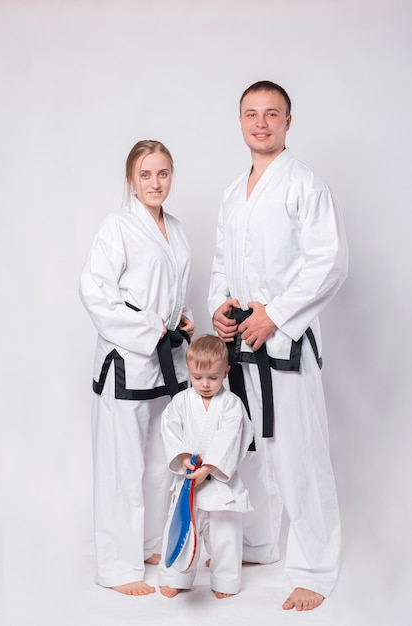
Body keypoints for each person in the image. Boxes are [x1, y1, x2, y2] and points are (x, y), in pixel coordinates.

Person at [208, 81, 348, 611]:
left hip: (284, 340)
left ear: (289, 121)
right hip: (243, 339)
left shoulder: (303, 184)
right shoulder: (232, 190)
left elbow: (329, 262)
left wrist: (276, 315)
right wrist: (222, 306)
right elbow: (223, 261)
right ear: (240, 120)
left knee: (299, 454)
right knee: (249, 449)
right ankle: (259, 543)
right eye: (251, 114)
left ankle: (314, 567)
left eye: (272, 114)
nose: (260, 123)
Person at [79, 140, 194, 596]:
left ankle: (147, 543)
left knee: (157, 461)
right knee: (120, 465)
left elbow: (171, 287)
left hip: (166, 362)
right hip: (127, 359)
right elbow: (95, 294)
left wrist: (179, 318)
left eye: (163, 173)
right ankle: (117, 567)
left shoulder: (178, 229)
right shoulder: (116, 226)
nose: (155, 183)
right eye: (145, 175)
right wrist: (150, 331)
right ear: (131, 179)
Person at [157, 334, 253, 599]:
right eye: (198, 378)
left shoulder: (232, 405)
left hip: (220, 482)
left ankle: (225, 580)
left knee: (226, 533)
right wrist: (184, 457)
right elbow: (170, 430)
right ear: (189, 371)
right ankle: (176, 577)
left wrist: (209, 467)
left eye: (213, 377)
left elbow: (230, 438)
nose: (205, 384)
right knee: (181, 528)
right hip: (189, 479)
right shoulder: (181, 402)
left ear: (226, 371)